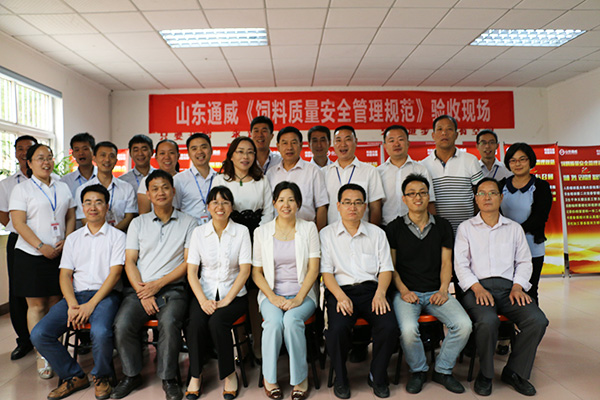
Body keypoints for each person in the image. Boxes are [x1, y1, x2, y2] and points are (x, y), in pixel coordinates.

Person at [454, 178, 549, 397]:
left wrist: (518, 287)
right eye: (482, 193)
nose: (487, 197)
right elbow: (460, 264)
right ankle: (486, 374)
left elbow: (524, 262)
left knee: (537, 320)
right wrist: (476, 288)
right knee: (488, 321)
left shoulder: (514, 228)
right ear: (476, 199)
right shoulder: (466, 228)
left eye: (492, 193)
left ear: (501, 197)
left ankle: (515, 372)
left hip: (509, 289)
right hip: (477, 289)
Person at [31, 184, 125, 400]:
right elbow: (65, 275)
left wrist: (90, 305)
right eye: (88, 202)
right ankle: (74, 376)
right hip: (76, 296)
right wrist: (73, 304)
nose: (93, 207)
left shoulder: (118, 237)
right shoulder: (73, 238)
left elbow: (115, 275)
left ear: (107, 207)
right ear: (82, 207)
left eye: (98, 202)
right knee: (39, 334)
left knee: (100, 332)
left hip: (106, 296)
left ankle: (101, 377)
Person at [111, 170, 197, 400]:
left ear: (173, 191)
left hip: (173, 289)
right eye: (155, 189)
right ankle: (131, 375)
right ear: (148, 194)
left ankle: (169, 379)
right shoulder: (138, 223)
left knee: (169, 323)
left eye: (165, 187)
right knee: (122, 324)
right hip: (140, 289)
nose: (161, 192)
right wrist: (144, 292)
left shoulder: (189, 222)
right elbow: (130, 261)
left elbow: (188, 263)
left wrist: (157, 285)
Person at [385, 174, 471, 394]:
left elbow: (446, 263)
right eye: (412, 194)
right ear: (404, 199)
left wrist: (443, 290)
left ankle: (443, 369)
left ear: (428, 196)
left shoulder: (443, 226)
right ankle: (418, 370)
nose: (418, 197)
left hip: (436, 291)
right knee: (408, 330)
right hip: (406, 293)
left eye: (422, 193)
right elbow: (391, 267)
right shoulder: (394, 228)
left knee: (463, 325)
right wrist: (403, 291)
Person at [320, 183, 398, 399]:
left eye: (357, 203)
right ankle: (341, 378)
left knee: (389, 326)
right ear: (338, 206)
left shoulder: (377, 233)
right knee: (336, 330)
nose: (352, 207)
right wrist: (340, 297)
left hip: (372, 291)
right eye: (347, 202)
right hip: (340, 291)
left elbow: (386, 269)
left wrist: (381, 293)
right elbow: (326, 273)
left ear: (365, 206)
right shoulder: (326, 234)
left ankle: (377, 375)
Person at [9, 144, 76, 379]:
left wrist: (67, 240)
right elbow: (19, 223)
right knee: (37, 306)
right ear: (29, 163)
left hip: (59, 254)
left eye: (49, 157)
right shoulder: (22, 189)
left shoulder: (62, 186)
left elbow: (70, 215)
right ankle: (42, 355)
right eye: (40, 158)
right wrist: (40, 246)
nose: (46, 162)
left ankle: (55, 352)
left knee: (57, 305)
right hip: (31, 255)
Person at [252, 182, 320, 400]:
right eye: (281, 200)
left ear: (298, 203)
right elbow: (256, 273)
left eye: (291, 200)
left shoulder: (308, 228)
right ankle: (269, 378)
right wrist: (272, 297)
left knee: (291, 321)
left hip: (303, 294)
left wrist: (299, 298)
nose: (286, 204)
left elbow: (314, 269)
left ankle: (300, 379)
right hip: (271, 295)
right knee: (273, 323)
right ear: (274, 203)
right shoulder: (262, 232)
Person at [185, 186, 251, 400]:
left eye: (225, 202)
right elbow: (192, 272)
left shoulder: (241, 232)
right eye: (215, 202)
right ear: (208, 207)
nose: (219, 206)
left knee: (217, 322)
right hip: (204, 293)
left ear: (231, 207)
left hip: (234, 294)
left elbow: (245, 271)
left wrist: (226, 300)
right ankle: (195, 375)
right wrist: (203, 300)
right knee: (195, 323)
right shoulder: (198, 233)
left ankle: (230, 374)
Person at [0, 135, 37, 360]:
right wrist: (19, 228)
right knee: (18, 291)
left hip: (46, 241)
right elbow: (3, 214)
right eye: (20, 149)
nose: (24, 153)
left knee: (47, 291)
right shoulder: (7, 184)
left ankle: (48, 338)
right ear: (15, 153)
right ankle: (24, 340)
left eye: (29, 149)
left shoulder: (53, 180)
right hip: (18, 240)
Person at [500, 143, 552, 305]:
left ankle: (532, 320)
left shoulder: (541, 187)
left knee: (529, 288)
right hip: (504, 246)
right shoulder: (500, 186)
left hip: (532, 247)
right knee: (505, 290)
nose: (518, 164)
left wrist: (515, 232)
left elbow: (540, 217)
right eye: (513, 160)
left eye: (522, 159)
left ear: (530, 161)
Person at [421, 115, 483, 233]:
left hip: (468, 230)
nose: (444, 133)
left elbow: (479, 192)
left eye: (449, 129)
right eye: (440, 129)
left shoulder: (470, 160)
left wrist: (476, 221)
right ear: (433, 135)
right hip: (438, 232)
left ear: (456, 135)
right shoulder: (423, 165)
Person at [266, 126, 328, 231]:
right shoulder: (271, 173)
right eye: (285, 143)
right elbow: (268, 207)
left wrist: (317, 233)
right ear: (278, 146)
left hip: (306, 231)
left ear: (301, 145)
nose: (289, 147)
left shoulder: (313, 171)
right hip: (278, 232)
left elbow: (321, 206)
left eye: (293, 142)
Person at [324, 126, 385, 226]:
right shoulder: (324, 172)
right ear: (333, 143)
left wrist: (372, 232)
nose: (343, 144)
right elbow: (322, 207)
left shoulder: (370, 171)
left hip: (361, 231)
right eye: (338, 140)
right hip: (332, 232)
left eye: (348, 139)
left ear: (356, 141)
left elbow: (375, 206)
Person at [214, 136, 274, 237]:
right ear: (231, 156)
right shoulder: (220, 180)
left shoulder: (262, 180)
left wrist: (259, 234)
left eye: (250, 152)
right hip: (229, 235)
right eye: (240, 152)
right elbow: (216, 210)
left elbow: (268, 212)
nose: (245, 156)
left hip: (258, 235)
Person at [377, 125, 435, 226]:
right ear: (385, 146)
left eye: (401, 139)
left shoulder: (421, 169)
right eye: (391, 140)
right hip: (386, 227)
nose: (396, 144)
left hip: (416, 228)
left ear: (408, 143)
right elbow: (375, 205)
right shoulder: (378, 172)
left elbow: (430, 202)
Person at [75, 141, 137, 232]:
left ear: (116, 160)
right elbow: (84, 218)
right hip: (93, 236)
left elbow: (129, 217)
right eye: (103, 155)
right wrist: (101, 234)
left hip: (120, 236)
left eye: (111, 156)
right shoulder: (83, 190)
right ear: (94, 158)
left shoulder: (127, 188)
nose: (107, 160)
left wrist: (112, 234)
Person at [173, 133, 217, 225]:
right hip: (189, 229)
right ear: (189, 153)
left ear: (211, 150)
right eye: (194, 148)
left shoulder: (219, 178)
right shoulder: (179, 179)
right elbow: (175, 209)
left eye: (204, 147)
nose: (199, 151)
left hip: (216, 229)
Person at [137, 139, 180, 214]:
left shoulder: (185, 179)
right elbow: (144, 215)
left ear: (178, 156)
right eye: (162, 153)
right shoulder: (146, 180)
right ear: (156, 157)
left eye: (171, 153)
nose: (167, 157)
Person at [61, 132, 98, 197]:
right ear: (73, 154)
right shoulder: (65, 181)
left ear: (93, 151)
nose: (81, 153)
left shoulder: (103, 177)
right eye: (77, 150)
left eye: (85, 149)